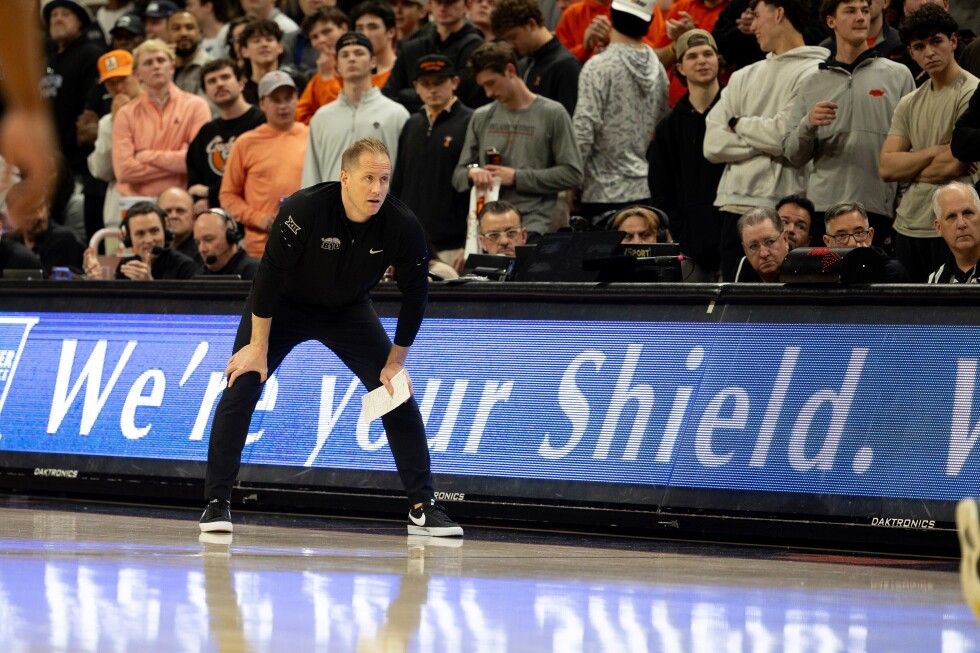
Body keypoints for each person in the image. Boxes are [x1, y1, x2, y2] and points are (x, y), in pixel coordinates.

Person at [199, 137, 464, 538]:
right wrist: (257, 347)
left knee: (395, 392)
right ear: (345, 178)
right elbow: (268, 276)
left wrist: (396, 362)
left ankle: (422, 507)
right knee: (243, 383)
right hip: (284, 305)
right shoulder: (304, 208)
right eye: (368, 178)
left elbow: (416, 294)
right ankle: (217, 503)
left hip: (348, 310)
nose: (377, 189)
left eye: (384, 180)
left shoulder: (402, 224)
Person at [704, 0, 829, 281]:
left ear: (779, 13)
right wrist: (771, 141)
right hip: (734, 206)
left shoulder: (816, 71)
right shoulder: (742, 76)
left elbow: (784, 136)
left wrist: (739, 124)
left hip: (786, 206)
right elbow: (712, 144)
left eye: (757, 16)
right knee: (736, 302)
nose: (752, 25)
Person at [783, 0, 914, 250]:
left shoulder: (898, 75)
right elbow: (792, 154)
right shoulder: (811, 82)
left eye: (864, 10)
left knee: (874, 275)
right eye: (851, 11)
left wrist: (902, 205)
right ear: (831, 21)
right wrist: (808, 124)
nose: (861, 17)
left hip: (878, 210)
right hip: (825, 211)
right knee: (828, 274)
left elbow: (911, 147)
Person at [879, 5, 979, 281]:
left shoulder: (972, 91)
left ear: (953, 41)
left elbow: (954, 164)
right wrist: (935, 151)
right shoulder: (909, 101)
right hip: (907, 224)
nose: (929, 52)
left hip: (956, 225)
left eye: (936, 42)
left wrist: (909, 167)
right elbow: (887, 167)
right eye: (920, 46)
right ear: (910, 53)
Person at [452, 42, 584, 239]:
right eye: (484, 86)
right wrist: (473, 172)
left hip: (535, 224)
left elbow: (573, 174)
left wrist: (516, 177)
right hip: (490, 227)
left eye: (491, 83)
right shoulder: (481, 116)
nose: (488, 93)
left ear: (510, 70)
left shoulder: (553, 113)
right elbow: (458, 176)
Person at [573, 0, 669, 220]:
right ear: (649, 23)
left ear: (611, 14)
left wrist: (571, 185)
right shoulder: (658, 68)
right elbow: (661, 125)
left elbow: (583, 131)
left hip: (601, 192)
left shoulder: (598, 66)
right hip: (643, 189)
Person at [648, 29, 724, 281]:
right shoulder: (668, 127)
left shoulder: (738, 112)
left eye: (707, 54)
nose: (701, 61)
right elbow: (661, 189)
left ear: (717, 59)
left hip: (737, 239)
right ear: (679, 67)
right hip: (690, 245)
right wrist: (680, 232)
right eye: (692, 56)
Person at [391, 55, 474, 269]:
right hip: (410, 243)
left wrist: (469, 242)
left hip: (453, 245)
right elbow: (398, 184)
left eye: (439, 82)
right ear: (416, 87)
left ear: (455, 82)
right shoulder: (411, 124)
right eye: (426, 84)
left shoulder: (471, 121)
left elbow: (476, 190)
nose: (432, 89)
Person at [221, 70, 309, 258]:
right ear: (262, 104)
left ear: (297, 99)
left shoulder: (312, 137)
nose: (283, 106)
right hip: (260, 250)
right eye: (275, 100)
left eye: (288, 98)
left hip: (307, 245)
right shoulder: (245, 143)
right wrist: (259, 219)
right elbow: (228, 196)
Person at [302, 33, 410, 185]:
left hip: (382, 200)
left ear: (373, 62)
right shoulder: (321, 118)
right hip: (333, 201)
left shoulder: (396, 114)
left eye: (359, 53)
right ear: (337, 66)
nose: (351, 59)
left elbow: (407, 174)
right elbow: (311, 175)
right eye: (345, 55)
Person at [112, 39, 212, 198]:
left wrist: (145, 156)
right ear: (137, 74)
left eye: (161, 60)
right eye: (148, 63)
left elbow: (198, 161)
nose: (156, 66)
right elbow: (124, 171)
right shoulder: (126, 113)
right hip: (138, 203)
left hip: (182, 200)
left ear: (172, 67)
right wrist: (178, 159)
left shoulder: (196, 106)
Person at [187, 58, 267, 214]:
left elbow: (255, 175)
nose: (219, 84)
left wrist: (210, 193)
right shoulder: (205, 133)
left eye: (225, 77)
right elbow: (194, 183)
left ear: (241, 83)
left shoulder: (261, 122)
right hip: (217, 217)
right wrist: (201, 199)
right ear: (206, 93)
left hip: (255, 211)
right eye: (212, 81)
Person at [382, 0, 487, 113]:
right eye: (438, 2)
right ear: (430, 5)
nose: (443, 8)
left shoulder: (476, 47)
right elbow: (388, 94)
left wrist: (404, 95)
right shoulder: (413, 46)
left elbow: (459, 96)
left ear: (467, 5)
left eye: (450, 3)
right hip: (413, 120)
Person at [40, 0, 106, 177]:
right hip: (46, 159)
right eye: (54, 15)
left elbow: (91, 106)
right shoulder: (47, 61)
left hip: (77, 163)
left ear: (80, 22)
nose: (58, 19)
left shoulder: (91, 55)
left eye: (65, 14)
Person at [491, 0, 581, 119]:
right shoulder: (524, 64)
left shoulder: (566, 65)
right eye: (506, 40)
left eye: (513, 37)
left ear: (531, 24)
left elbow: (568, 122)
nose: (511, 45)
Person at [87, 49, 142, 232]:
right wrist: (114, 124)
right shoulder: (106, 123)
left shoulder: (158, 112)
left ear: (137, 75)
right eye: (111, 83)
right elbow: (102, 171)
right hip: (117, 215)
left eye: (123, 79)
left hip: (155, 205)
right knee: (115, 252)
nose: (118, 88)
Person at [82, 201, 198, 279]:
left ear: (165, 232)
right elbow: (115, 306)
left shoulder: (185, 266)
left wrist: (149, 286)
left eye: (154, 231)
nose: (148, 240)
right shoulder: (126, 266)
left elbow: (181, 308)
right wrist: (97, 280)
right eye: (140, 234)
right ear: (129, 239)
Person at [3, 181, 85, 275]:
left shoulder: (62, 239)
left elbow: (55, 281)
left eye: (42, 207)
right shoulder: (8, 242)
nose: (40, 216)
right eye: (32, 211)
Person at [822, 200, 909, 281]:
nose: (852, 243)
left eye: (858, 233)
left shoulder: (891, 270)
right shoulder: (820, 271)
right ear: (827, 241)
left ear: (870, 235)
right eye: (841, 235)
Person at [294, 8, 354, 124]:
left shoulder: (363, 68)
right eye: (314, 37)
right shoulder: (318, 78)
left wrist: (327, 77)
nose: (321, 40)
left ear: (343, 28)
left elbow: (343, 117)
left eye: (327, 32)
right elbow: (300, 116)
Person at [927, 182, 980, 283]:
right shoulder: (933, 282)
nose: (961, 224)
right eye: (951, 216)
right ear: (939, 228)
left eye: (967, 213)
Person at [194, 208, 260, 278]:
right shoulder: (198, 276)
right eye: (198, 242)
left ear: (230, 236)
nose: (202, 249)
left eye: (209, 239)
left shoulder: (255, 271)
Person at [734, 207, 789, 282]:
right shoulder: (743, 267)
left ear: (785, 239)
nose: (764, 254)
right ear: (745, 250)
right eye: (754, 246)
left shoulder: (801, 266)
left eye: (770, 242)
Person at [169, 10, 215, 97]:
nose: (183, 33)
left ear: (200, 32)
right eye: (176, 28)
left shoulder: (211, 66)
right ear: (167, 33)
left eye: (189, 28)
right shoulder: (158, 67)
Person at [352, 1, 399, 78]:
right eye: (360, 29)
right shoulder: (352, 74)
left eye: (373, 27)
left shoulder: (403, 72)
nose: (365, 34)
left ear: (391, 32)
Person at [158, 186, 202, 265]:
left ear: (193, 216)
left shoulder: (203, 250)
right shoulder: (153, 250)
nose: (173, 216)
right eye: (167, 211)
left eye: (180, 211)